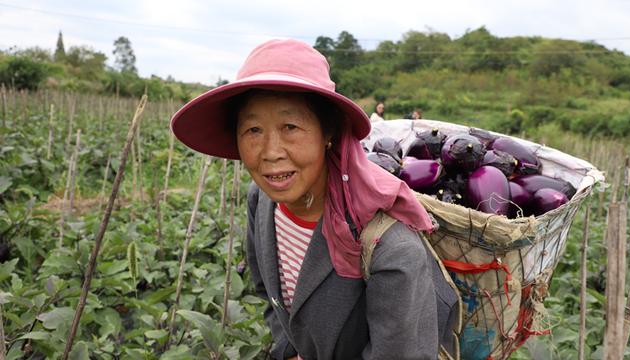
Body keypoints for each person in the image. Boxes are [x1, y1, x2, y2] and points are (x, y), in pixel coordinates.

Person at [171, 39, 459, 360]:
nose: (271, 152)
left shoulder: (390, 248)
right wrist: (290, 350)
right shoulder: (262, 202)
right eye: (253, 130)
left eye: (290, 126)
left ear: (328, 133)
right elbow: (271, 298)